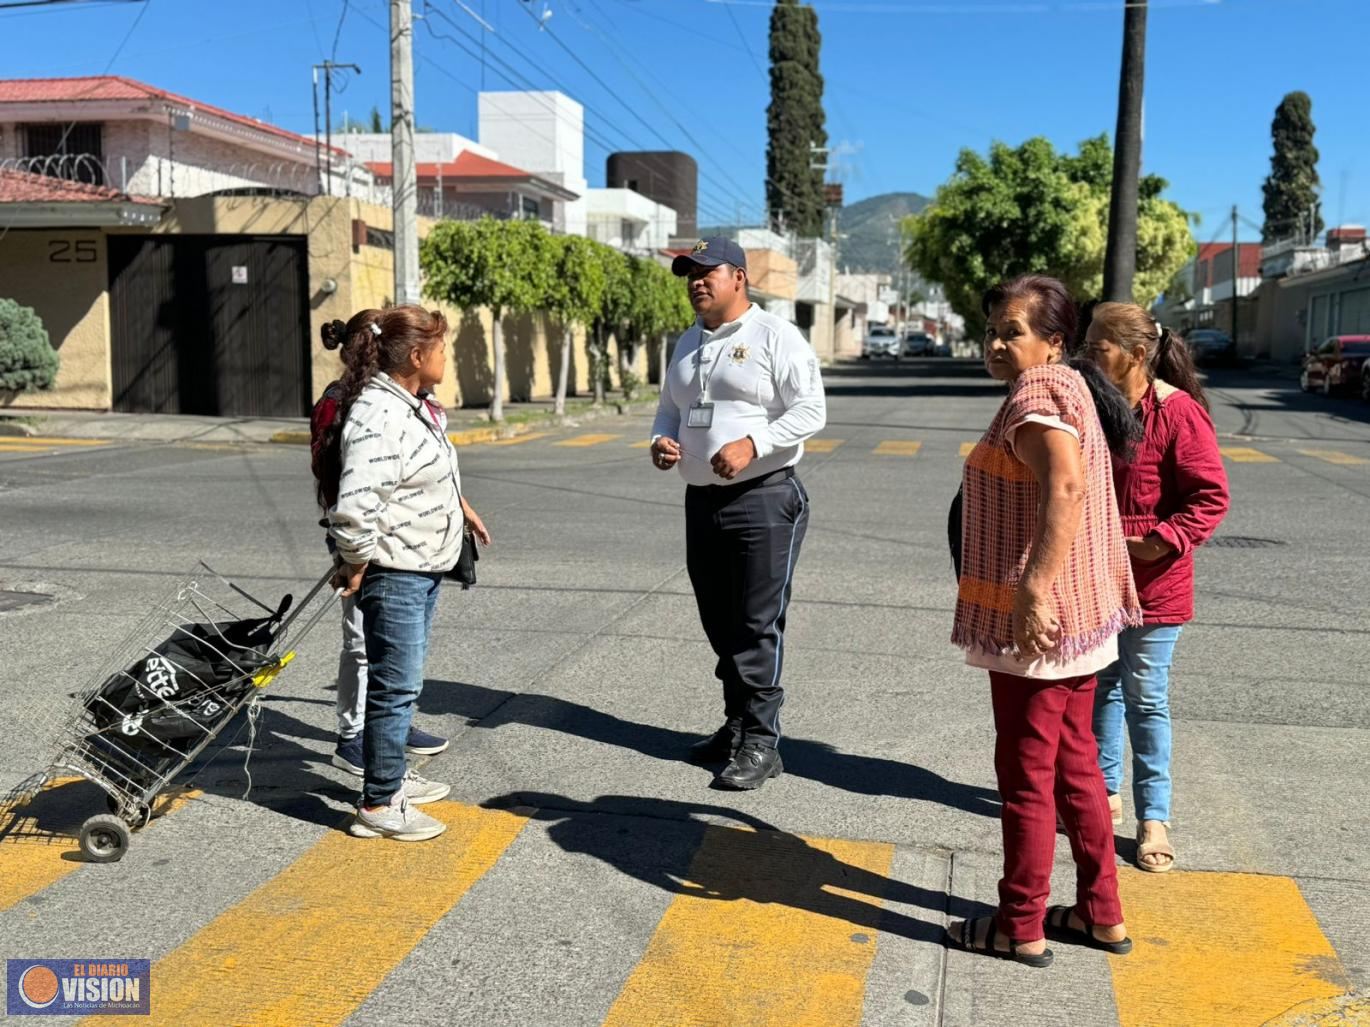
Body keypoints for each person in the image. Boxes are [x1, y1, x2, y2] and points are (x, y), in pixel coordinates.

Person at [948, 274, 1142, 967]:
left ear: (1054, 341)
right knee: (1077, 768)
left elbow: (1063, 483)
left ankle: (1019, 921)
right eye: (993, 330)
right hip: (1085, 618)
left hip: (1042, 622)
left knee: (1028, 778)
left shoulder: (1037, 393)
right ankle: (1100, 911)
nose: (998, 342)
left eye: (1014, 331)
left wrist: (1032, 590)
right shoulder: (1073, 386)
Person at [650, 237, 826, 790]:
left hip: (764, 497)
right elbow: (668, 410)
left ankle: (762, 741)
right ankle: (734, 725)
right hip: (702, 500)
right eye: (689, 275)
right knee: (718, 619)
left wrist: (755, 443)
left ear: (739, 278)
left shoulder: (775, 336)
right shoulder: (687, 341)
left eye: (707, 272)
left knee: (755, 622)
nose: (696, 282)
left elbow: (812, 409)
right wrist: (661, 441)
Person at [313, 305, 491, 842]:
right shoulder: (379, 414)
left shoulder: (409, 405)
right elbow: (356, 504)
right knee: (394, 687)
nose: (446, 357)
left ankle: (388, 779)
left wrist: (458, 504)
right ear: (417, 356)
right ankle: (379, 804)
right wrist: (356, 561)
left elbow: (420, 468)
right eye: (441, 348)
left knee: (400, 684)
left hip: (418, 564)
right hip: (396, 570)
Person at [1084, 302, 1230, 873]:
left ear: (1137, 354)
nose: (1088, 356)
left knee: (1145, 697)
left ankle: (1154, 817)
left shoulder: (1177, 412)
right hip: (1096, 578)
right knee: (1101, 688)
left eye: (1099, 347)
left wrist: (1162, 540)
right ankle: (1104, 793)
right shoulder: (1094, 406)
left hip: (1155, 585)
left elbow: (1210, 497)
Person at [309, 379, 453, 780]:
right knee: (361, 643)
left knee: (396, 657)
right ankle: (355, 740)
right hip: (370, 541)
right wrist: (353, 555)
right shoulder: (359, 403)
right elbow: (347, 487)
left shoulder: (411, 400)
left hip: (404, 546)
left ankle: (392, 736)